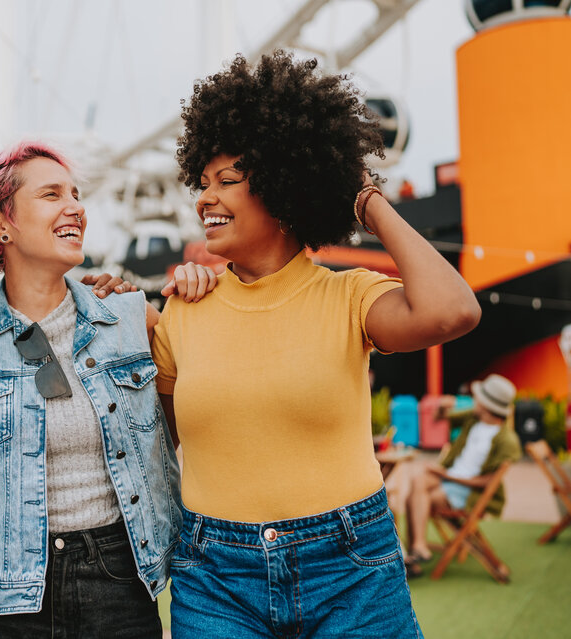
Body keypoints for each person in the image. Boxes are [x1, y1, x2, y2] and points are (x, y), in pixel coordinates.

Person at [152, 51, 482, 638]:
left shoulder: (352, 297)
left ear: (283, 188)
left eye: (228, 181)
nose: (205, 197)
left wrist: (362, 197)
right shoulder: (181, 309)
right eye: (202, 183)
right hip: (215, 575)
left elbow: (452, 312)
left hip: (351, 568)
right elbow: (165, 433)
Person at [0, 141, 216, 639]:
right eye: (51, 195)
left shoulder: (133, 317)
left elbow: (190, 424)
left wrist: (205, 288)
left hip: (118, 579)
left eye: (75, 194)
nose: (76, 207)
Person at [403, 373, 521, 577]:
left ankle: (413, 559)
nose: (473, 400)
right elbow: (438, 418)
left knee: (415, 498)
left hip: (468, 490)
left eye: (477, 397)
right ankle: (419, 547)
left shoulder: (506, 440)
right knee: (417, 482)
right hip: (448, 477)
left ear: (486, 405)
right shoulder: (473, 417)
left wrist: (447, 476)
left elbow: (487, 483)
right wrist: (441, 405)